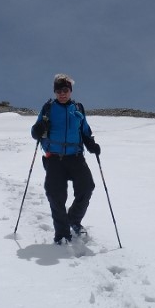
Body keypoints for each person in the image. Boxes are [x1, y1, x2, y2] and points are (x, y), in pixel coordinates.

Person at [30, 74, 101, 244]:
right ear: (55, 92)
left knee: (86, 188)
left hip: (75, 157)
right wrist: (39, 129)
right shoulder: (48, 108)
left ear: (70, 91)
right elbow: (35, 133)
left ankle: (73, 220)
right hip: (54, 158)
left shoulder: (77, 108)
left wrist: (91, 144)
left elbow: (84, 131)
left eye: (65, 90)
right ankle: (62, 234)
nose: (62, 93)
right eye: (58, 90)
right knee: (55, 195)